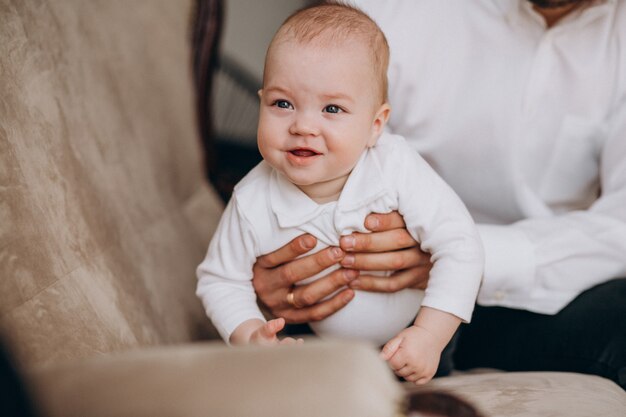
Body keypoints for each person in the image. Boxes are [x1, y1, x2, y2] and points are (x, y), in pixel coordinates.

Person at [251, 0, 626, 389]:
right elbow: (295, 145)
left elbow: (621, 223)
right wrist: (263, 280)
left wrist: (456, 254)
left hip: (540, 294)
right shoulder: (382, 14)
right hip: (362, 281)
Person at [196, 3, 484, 384]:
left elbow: (461, 244)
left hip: (418, 330)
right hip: (319, 344)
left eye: (331, 108)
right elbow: (220, 280)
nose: (303, 125)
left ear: (374, 125)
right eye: (282, 103)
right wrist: (249, 333)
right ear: (262, 101)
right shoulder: (252, 199)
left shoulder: (395, 165)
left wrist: (430, 335)